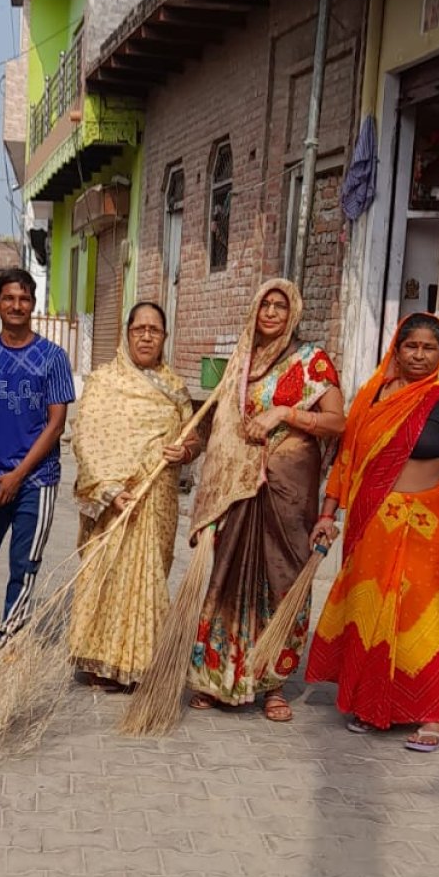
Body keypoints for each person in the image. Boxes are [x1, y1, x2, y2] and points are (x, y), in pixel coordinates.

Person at [306, 312, 439, 752]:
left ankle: (432, 717)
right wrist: (328, 512)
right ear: (397, 349)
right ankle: (372, 705)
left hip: (429, 522)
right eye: (412, 346)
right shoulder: (373, 397)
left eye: (430, 348)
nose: (420, 355)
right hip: (375, 521)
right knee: (369, 610)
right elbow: (346, 461)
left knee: (422, 615)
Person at [188, 280, 346, 724]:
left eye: (281, 306)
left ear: (293, 312)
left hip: (289, 493)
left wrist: (285, 413)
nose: (272, 313)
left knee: (283, 580)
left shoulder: (311, 361)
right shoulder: (240, 364)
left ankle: (272, 684)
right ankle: (218, 679)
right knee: (227, 578)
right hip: (239, 487)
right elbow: (220, 429)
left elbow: (338, 422)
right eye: (265, 305)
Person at [68, 301, 196, 691]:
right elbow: (85, 437)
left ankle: (139, 661)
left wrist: (186, 450)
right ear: (126, 334)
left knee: (147, 578)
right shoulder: (104, 382)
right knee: (105, 576)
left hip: (157, 499)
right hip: (115, 500)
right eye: (139, 328)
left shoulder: (174, 387)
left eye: (153, 330)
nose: (145, 336)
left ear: (164, 338)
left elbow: (193, 435)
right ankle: (97, 659)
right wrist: (109, 490)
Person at [0, 268, 75, 635]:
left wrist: (19, 476)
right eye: (8, 298)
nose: (16, 305)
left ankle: (12, 638)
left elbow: (55, 425)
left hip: (36, 482)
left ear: (33, 305)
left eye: (24, 299)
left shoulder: (53, 358)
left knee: (23, 564)